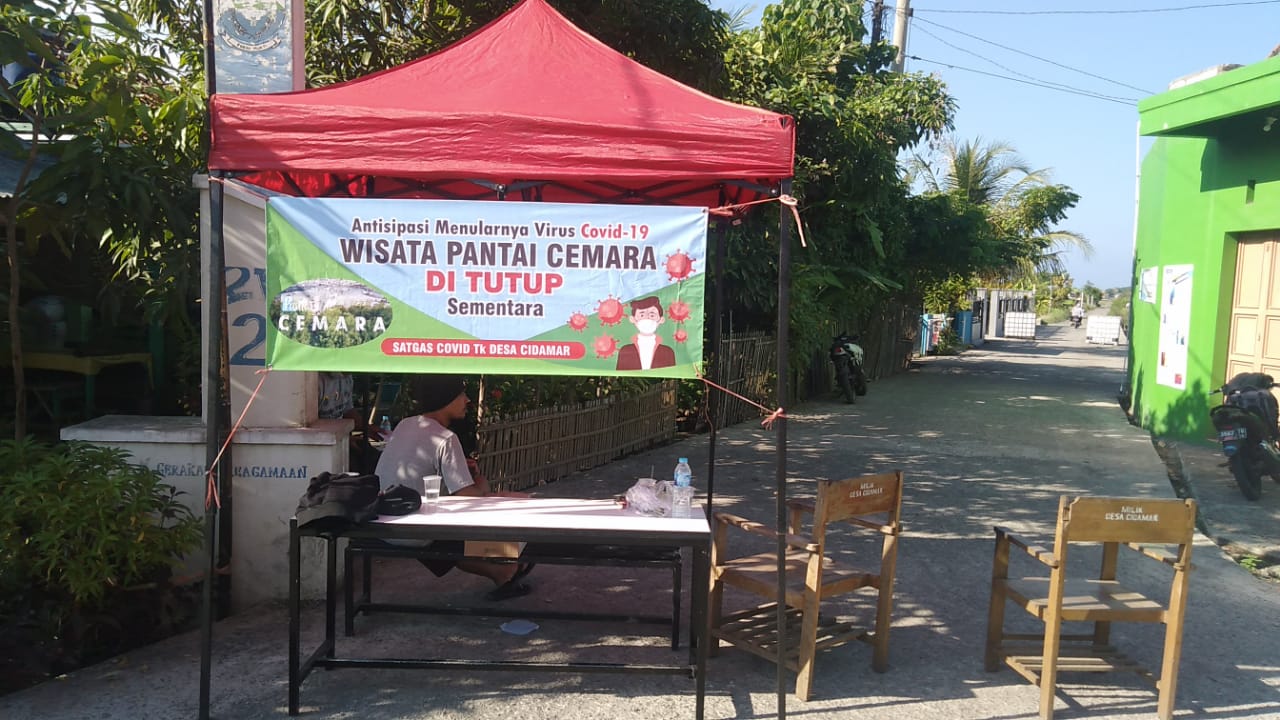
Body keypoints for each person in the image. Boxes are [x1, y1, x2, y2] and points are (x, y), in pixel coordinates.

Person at [374, 374, 534, 601]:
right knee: (514, 502)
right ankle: (510, 562)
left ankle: (502, 572)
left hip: (382, 523)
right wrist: (480, 479)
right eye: (461, 394)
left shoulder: (404, 424)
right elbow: (470, 497)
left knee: (445, 522)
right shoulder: (445, 438)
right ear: (445, 398)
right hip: (413, 532)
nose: (467, 400)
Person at [615, 296, 677, 371]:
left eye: (652, 315)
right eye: (642, 315)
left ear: (661, 320)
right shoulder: (625, 351)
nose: (647, 318)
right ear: (632, 319)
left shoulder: (667, 352)